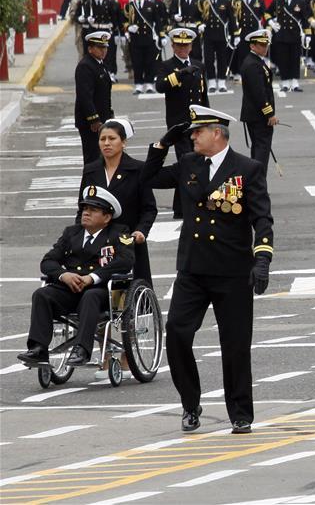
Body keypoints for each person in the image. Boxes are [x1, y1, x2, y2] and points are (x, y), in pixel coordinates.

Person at [141, 105, 274, 434]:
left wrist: (262, 260)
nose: (192, 137)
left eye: (197, 132)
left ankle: (241, 412)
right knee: (177, 334)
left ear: (218, 133)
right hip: (193, 269)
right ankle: (190, 402)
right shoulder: (189, 163)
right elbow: (150, 178)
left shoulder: (247, 168)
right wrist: (161, 145)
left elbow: (262, 218)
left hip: (232, 270)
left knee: (236, 345)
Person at [17, 186, 134, 368]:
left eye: (93, 210)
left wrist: (92, 277)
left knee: (90, 296)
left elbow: (126, 261)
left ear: (107, 217)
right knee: (41, 295)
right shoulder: (71, 233)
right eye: (85, 209)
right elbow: (48, 261)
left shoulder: (119, 233)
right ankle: (38, 349)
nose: (86, 213)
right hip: (71, 289)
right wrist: (64, 275)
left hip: (106, 292)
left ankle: (81, 349)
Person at [79, 119, 157, 284]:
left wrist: (141, 231)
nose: (106, 143)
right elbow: (82, 208)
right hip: (96, 242)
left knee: (135, 290)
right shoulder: (91, 170)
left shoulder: (137, 169)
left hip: (128, 241)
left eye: (112, 138)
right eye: (102, 139)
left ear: (123, 142)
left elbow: (149, 208)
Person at [155, 28, 209, 162]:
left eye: (186, 45)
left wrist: (208, 118)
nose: (182, 48)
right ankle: (187, 183)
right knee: (185, 158)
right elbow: (160, 86)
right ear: (173, 46)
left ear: (191, 46)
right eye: (179, 45)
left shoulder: (199, 65)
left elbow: (203, 95)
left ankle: (197, 183)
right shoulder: (167, 66)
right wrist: (181, 73)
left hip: (197, 120)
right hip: (178, 121)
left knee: (200, 155)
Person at [240, 29, 278, 176]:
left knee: (258, 150)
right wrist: (270, 114)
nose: (265, 48)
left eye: (266, 45)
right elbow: (259, 93)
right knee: (261, 151)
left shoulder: (256, 61)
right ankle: (258, 183)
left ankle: (256, 183)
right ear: (252, 46)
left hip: (255, 114)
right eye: (261, 45)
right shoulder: (253, 64)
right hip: (259, 115)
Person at [75, 31, 114, 164]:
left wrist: (109, 115)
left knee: (102, 158)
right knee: (92, 159)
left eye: (105, 47)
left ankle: (98, 184)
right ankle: (88, 185)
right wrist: (93, 119)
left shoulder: (99, 64)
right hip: (91, 123)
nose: (103, 51)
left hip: (102, 118)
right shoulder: (85, 66)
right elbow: (84, 96)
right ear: (90, 48)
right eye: (100, 47)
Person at [268, 0, 310, 92]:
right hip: (281, 36)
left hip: (295, 35)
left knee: (295, 59)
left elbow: (305, 19)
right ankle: (285, 82)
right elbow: (267, 13)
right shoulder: (277, 2)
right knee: (283, 60)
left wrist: (308, 34)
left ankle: (295, 83)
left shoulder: (300, 2)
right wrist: (271, 22)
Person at [123, 0, 162, 94]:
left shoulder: (151, 5)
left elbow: (157, 22)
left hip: (148, 39)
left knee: (149, 62)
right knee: (137, 62)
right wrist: (128, 28)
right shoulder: (130, 6)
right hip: (136, 39)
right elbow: (123, 21)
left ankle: (149, 84)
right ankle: (139, 84)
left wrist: (161, 36)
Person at [199, 0, 234, 94]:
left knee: (222, 59)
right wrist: (200, 24)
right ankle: (212, 81)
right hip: (208, 35)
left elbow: (231, 19)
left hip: (221, 35)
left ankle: (222, 81)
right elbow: (197, 16)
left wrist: (235, 34)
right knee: (208, 59)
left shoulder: (225, 2)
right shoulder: (203, 1)